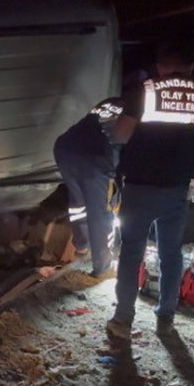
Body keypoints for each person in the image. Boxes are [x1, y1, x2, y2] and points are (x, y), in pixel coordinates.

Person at [107, 43, 194, 339]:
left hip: (141, 186)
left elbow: (120, 133)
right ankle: (166, 317)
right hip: (178, 188)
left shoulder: (146, 91)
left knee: (131, 253)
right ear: (191, 67)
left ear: (160, 67)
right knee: (171, 253)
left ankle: (122, 321)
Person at [53, 87, 130, 277]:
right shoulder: (137, 115)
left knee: (78, 203)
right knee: (103, 213)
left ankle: (81, 246)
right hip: (95, 159)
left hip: (65, 149)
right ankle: (103, 267)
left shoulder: (110, 102)